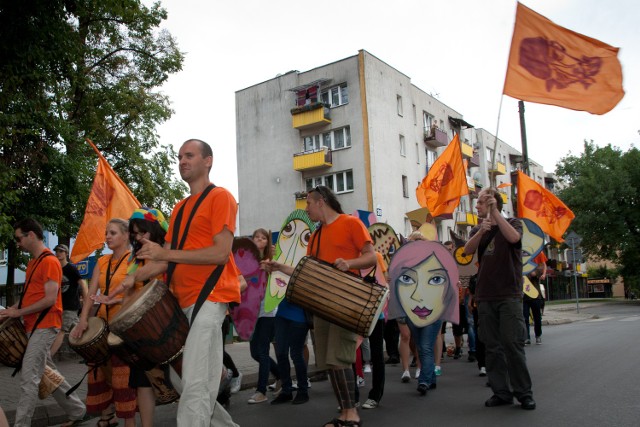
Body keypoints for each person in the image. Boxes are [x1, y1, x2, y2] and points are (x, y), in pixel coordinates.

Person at [126, 138, 240, 427]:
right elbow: (169, 259)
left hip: (210, 298)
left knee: (196, 382)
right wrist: (132, 278)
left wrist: (165, 253)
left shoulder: (221, 197)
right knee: (181, 379)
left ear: (208, 161)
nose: (182, 161)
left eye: (189, 155)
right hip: (180, 304)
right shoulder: (179, 208)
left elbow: (220, 253)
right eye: (179, 157)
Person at [262, 185, 376, 427]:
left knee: (340, 358)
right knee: (329, 361)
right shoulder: (316, 235)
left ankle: (352, 415)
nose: (307, 210)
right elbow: (308, 272)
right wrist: (280, 267)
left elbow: (371, 257)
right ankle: (344, 414)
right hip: (322, 305)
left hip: (345, 301)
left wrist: (349, 263)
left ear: (321, 201)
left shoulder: (351, 223)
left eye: (309, 205)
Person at [1, 219, 86, 427]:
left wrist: (18, 311)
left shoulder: (49, 261)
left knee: (29, 379)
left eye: (19, 238)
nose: (18, 243)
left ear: (31, 235)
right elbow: (29, 296)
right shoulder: (33, 263)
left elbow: (49, 299)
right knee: (47, 373)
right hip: (32, 326)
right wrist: (10, 311)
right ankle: (77, 409)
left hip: (46, 326)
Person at [93, 208, 171, 427]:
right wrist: (115, 302)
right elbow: (130, 297)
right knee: (142, 381)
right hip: (143, 331)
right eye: (136, 233)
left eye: (142, 232)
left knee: (180, 383)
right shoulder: (135, 260)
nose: (139, 237)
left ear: (154, 230)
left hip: (167, 326)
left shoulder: (169, 252)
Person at [464, 188, 536, 410]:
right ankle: (501, 392)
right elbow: (467, 251)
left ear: (494, 204)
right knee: (492, 347)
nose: (477, 206)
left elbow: (514, 239)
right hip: (486, 296)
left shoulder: (513, 223)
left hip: (509, 295)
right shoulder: (479, 228)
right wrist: (480, 231)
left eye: (482, 202)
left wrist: (495, 215)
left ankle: (523, 393)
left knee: (512, 344)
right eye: (477, 202)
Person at [71, 218, 137, 427]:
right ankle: (107, 415)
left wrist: (114, 299)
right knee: (99, 369)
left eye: (113, 233)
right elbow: (90, 294)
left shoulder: (134, 260)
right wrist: (83, 322)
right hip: (103, 323)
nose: (107, 236)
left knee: (122, 375)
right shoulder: (101, 262)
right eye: (107, 233)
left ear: (126, 235)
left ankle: (129, 421)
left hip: (125, 325)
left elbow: (137, 293)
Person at [388, 239, 459, 396]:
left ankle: (424, 381)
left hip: (433, 311)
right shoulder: (406, 264)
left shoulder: (437, 262)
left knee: (425, 346)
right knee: (421, 346)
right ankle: (431, 378)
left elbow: (451, 282)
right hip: (413, 312)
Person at [248, 228, 281, 404]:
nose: (259, 240)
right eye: (256, 237)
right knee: (255, 353)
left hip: (268, 311)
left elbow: (276, 283)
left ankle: (261, 391)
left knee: (261, 351)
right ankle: (282, 376)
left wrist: (268, 267)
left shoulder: (271, 261)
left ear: (267, 242)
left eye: (263, 238)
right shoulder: (247, 260)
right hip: (252, 312)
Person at [50, 244, 88, 357]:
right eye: (56, 251)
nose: (58, 254)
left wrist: (86, 301)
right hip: (58, 306)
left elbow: (82, 283)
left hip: (70, 306)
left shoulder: (71, 268)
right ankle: (89, 349)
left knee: (61, 331)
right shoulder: (55, 268)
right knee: (78, 330)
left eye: (61, 251)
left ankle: (49, 356)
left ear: (66, 254)